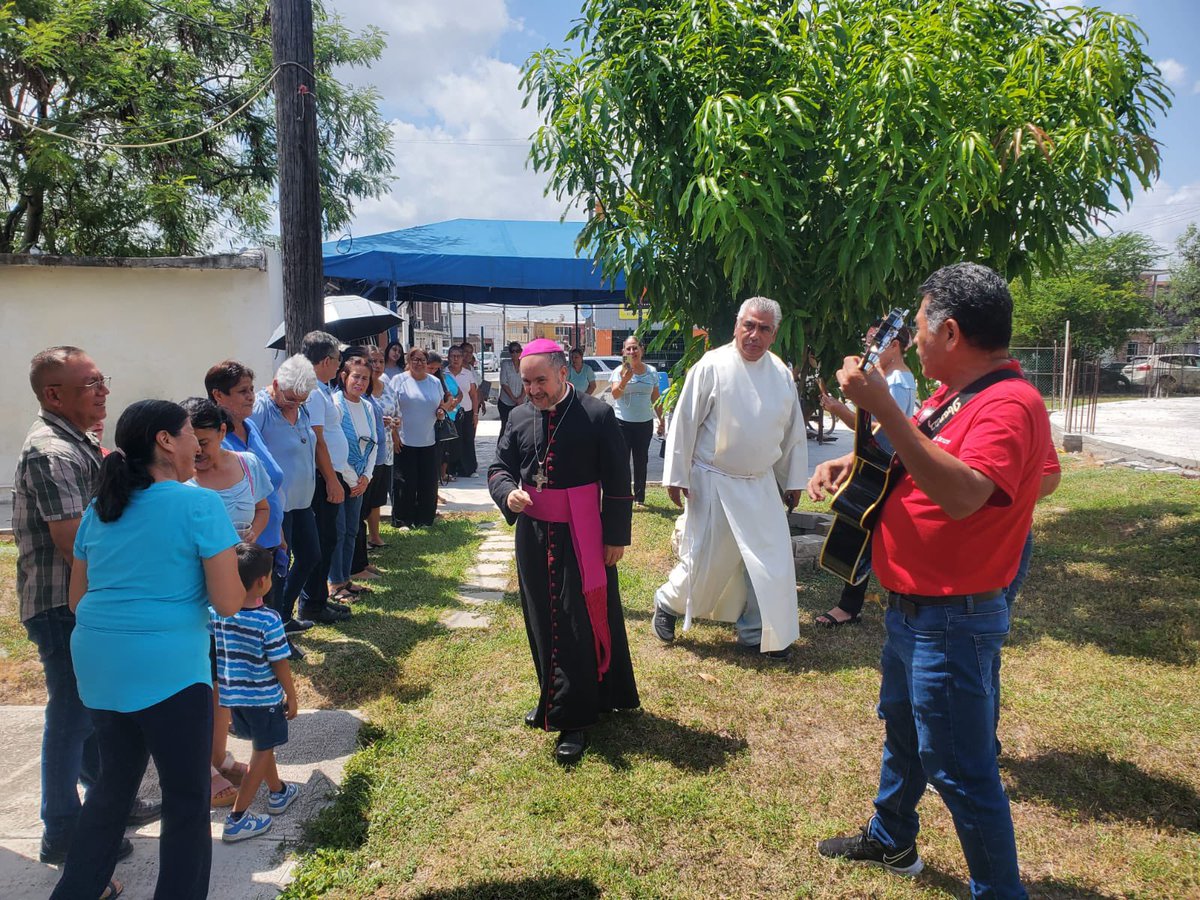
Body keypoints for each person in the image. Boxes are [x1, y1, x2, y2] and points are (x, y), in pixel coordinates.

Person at [808, 263, 1058, 899]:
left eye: (918, 327)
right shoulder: (957, 396)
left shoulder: (1009, 403)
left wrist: (883, 407)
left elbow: (965, 493)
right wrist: (855, 453)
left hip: (953, 617)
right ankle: (892, 836)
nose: (912, 339)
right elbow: (921, 454)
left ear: (949, 331)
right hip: (914, 606)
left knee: (962, 771)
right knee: (902, 727)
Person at [51, 400, 244, 900]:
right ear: (164, 440)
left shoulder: (101, 508)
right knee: (185, 800)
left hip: (98, 663)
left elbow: (78, 599)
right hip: (168, 670)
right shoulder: (198, 504)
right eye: (189, 437)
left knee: (114, 784)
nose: (195, 448)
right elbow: (227, 602)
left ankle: (76, 889)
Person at [14, 347, 159, 873]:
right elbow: (75, 541)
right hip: (61, 603)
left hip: (86, 600)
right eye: (90, 384)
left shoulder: (82, 443)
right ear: (54, 395)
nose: (103, 391)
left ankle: (110, 802)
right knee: (73, 715)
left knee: (100, 713)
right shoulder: (52, 452)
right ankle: (63, 829)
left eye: (103, 380)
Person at [487, 339, 640, 765]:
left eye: (540, 381)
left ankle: (575, 718)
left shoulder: (596, 414)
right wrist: (507, 493)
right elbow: (499, 467)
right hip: (534, 535)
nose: (533, 390)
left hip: (582, 534)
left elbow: (617, 479)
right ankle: (553, 696)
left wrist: (616, 537)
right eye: (526, 381)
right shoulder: (518, 416)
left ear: (561, 373)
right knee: (541, 618)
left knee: (578, 620)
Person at [651, 299, 808, 658]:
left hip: (760, 483)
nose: (754, 335)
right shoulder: (712, 366)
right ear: (737, 325)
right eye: (749, 326)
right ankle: (667, 604)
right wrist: (676, 476)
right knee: (706, 560)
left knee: (771, 561)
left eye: (764, 329)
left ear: (774, 334)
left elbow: (792, 432)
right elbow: (685, 423)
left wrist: (793, 479)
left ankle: (758, 633)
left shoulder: (781, 373)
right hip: (714, 481)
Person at [814, 325, 917, 628]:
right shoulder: (898, 379)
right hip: (881, 467)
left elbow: (878, 432)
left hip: (880, 470)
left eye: (876, 342)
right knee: (868, 532)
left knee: (864, 533)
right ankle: (852, 604)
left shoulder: (897, 383)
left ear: (895, 346)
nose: (870, 348)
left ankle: (850, 606)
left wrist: (838, 409)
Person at [210, 543, 300, 842]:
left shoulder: (218, 614)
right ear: (263, 581)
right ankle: (237, 818)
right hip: (264, 698)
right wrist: (292, 694)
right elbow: (280, 664)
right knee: (262, 751)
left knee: (264, 745)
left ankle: (278, 792)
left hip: (234, 697)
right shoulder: (269, 620)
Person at [249, 355, 320, 640]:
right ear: (276, 384)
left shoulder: (300, 408)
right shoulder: (261, 408)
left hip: (302, 500)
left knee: (311, 556)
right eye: (290, 399)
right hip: (277, 504)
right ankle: (275, 630)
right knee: (280, 566)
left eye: (301, 401)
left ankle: (284, 615)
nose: (295, 405)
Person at [298, 331, 353, 625]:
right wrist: (332, 479)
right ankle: (312, 604)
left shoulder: (320, 388)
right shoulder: (315, 392)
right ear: (326, 360)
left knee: (327, 540)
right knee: (323, 540)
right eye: (337, 359)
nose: (339, 366)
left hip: (330, 473)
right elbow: (318, 440)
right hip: (323, 477)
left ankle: (316, 601)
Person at [329, 353, 377, 603]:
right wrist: (351, 479)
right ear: (344, 377)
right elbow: (334, 448)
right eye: (356, 377)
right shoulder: (335, 406)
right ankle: (334, 582)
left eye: (365, 379)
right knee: (337, 531)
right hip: (340, 479)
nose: (360, 382)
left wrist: (366, 476)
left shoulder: (367, 406)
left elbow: (374, 444)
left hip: (359, 480)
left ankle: (346, 578)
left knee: (351, 530)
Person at [391, 348, 446, 528]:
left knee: (427, 482)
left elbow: (440, 406)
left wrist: (440, 412)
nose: (418, 363)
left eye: (422, 359)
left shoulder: (435, 382)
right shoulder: (399, 380)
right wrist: (394, 435)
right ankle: (403, 519)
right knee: (405, 482)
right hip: (404, 440)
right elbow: (391, 410)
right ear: (408, 361)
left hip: (428, 439)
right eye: (414, 359)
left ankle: (424, 519)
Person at [609, 336, 661, 506]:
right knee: (622, 460)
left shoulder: (652, 372)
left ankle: (640, 497)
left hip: (644, 423)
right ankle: (623, 495)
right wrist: (625, 378)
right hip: (622, 423)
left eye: (635, 348)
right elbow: (615, 395)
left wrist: (662, 420)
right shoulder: (618, 371)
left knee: (641, 460)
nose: (632, 352)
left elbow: (656, 398)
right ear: (623, 352)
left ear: (641, 350)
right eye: (628, 349)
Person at [428, 351, 462, 485]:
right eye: (431, 368)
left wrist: (445, 406)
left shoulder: (438, 379)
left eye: (436, 368)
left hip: (438, 423)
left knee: (440, 453)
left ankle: (437, 480)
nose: (433, 371)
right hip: (423, 425)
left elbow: (448, 395)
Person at [448, 345, 480, 476]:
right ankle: (451, 469)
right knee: (452, 442)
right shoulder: (444, 373)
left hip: (466, 412)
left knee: (468, 440)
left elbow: (473, 395)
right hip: (450, 414)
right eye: (453, 356)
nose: (456, 359)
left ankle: (469, 469)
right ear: (448, 357)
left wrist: (475, 414)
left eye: (458, 356)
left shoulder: (468, 374)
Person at [496, 341, 525, 436]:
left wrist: (520, 398)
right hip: (506, 402)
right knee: (505, 427)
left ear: (521, 352)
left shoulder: (525, 365)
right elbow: (504, 383)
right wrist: (514, 399)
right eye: (512, 351)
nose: (515, 353)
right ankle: (501, 449)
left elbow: (527, 382)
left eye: (517, 351)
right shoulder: (505, 364)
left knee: (520, 428)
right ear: (509, 352)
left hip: (521, 402)